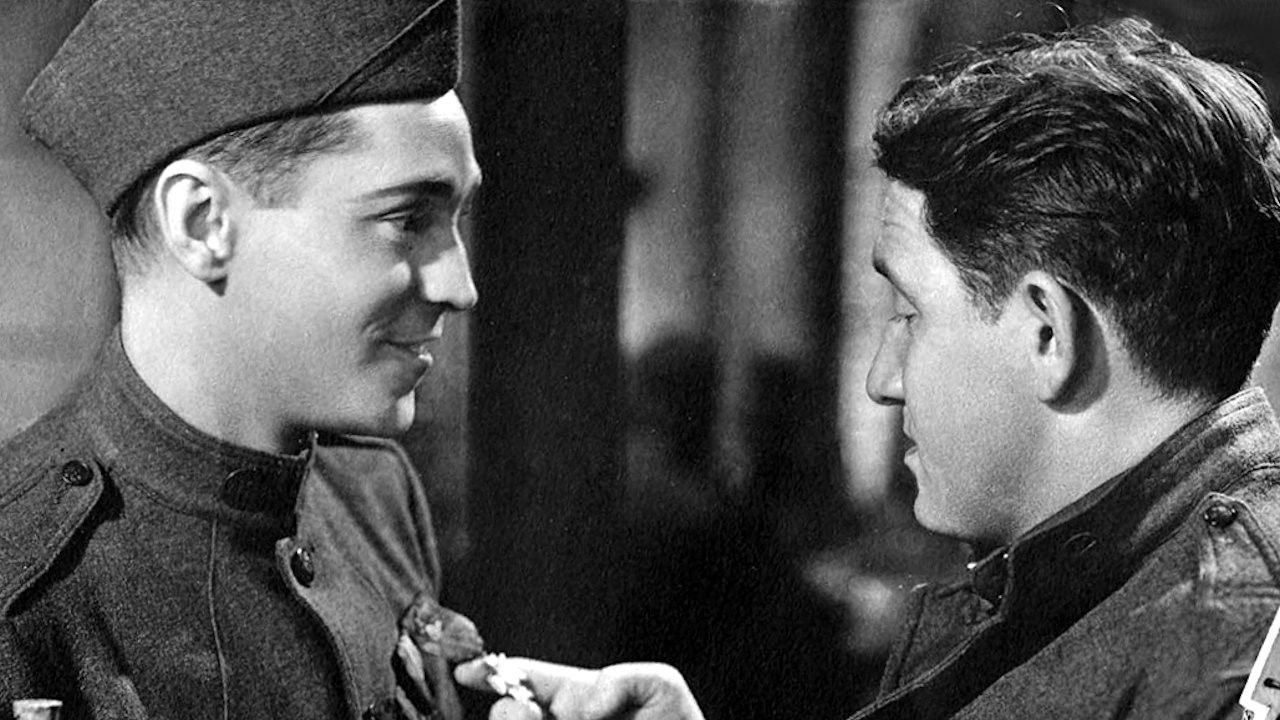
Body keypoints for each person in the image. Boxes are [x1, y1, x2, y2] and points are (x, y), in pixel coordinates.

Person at [455, 17, 1280, 720]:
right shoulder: (1142, 599)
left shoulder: (1220, 651)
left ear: (1045, 334)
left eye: (910, 315)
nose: (881, 379)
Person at [0, 1, 480, 718]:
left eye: (456, 219)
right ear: (202, 224)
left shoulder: (373, 495)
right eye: (407, 219)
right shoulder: (20, 579)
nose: (460, 287)